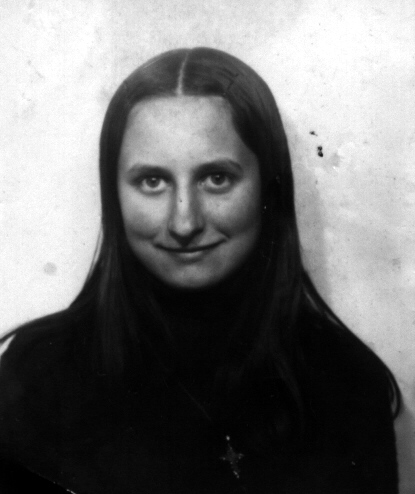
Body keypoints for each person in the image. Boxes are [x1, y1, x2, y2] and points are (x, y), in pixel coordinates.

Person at [0, 47, 401, 493]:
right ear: (115, 194)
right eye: (152, 181)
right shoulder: (39, 374)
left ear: (268, 188)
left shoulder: (346, 384)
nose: (184, 222)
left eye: (216, 178)